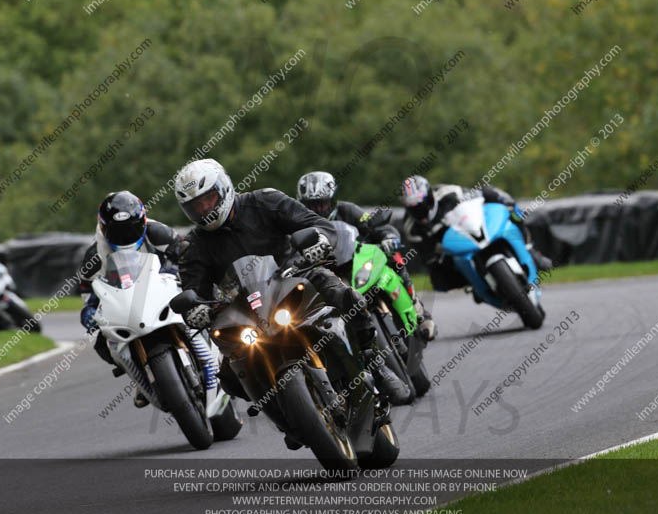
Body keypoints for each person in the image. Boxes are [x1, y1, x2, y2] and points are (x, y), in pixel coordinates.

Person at [173, 159, 411, 411]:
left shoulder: (265, 201)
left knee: (344, 294)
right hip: (243, 310)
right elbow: (192, 292)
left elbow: (318, 223)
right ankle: (281, 410)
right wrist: (195, 311)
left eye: (208, 199)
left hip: (293, 278)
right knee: (229, 377)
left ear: (224, 188)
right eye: (196, 206)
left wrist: (319, 240)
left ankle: (375, 364)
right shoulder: (193, 245)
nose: (205, 208)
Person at [77, 191, 202, 408]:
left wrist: (179, 272)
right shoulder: (94, 255)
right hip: (126, 305)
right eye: (117, 232)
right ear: (104, 229)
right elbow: (88, 290)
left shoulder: (158, 232)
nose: (125, 236)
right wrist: (89, 311)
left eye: (130, 229)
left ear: (142, 222)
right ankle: (140, 372)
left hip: (165, 290)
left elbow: (187, 254)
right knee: (100, 341)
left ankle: (219, 350)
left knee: (199, 303)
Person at [296, 171, 437, 340]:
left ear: (332, 200)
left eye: (322, 204)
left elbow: (374, 226)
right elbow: (289, 252)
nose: (318, 210)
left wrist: (388, 236)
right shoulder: (297, 223)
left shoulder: (348, 210)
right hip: (325, 275)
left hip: (355, 261)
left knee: (392, 256)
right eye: (312, 205)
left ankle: (417, 307)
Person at [399, 176, 552, 293]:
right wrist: (438, 255)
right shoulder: (411, 228)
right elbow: (428, 257)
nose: (419, 210)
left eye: (421, 203)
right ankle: (475, 283)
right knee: (439, 282)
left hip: (471, 225)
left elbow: (478, 198)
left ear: (429, 195)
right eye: (412, 208)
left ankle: (530, 249)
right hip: (453, 246)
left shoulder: (449, 192)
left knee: (498, 197)